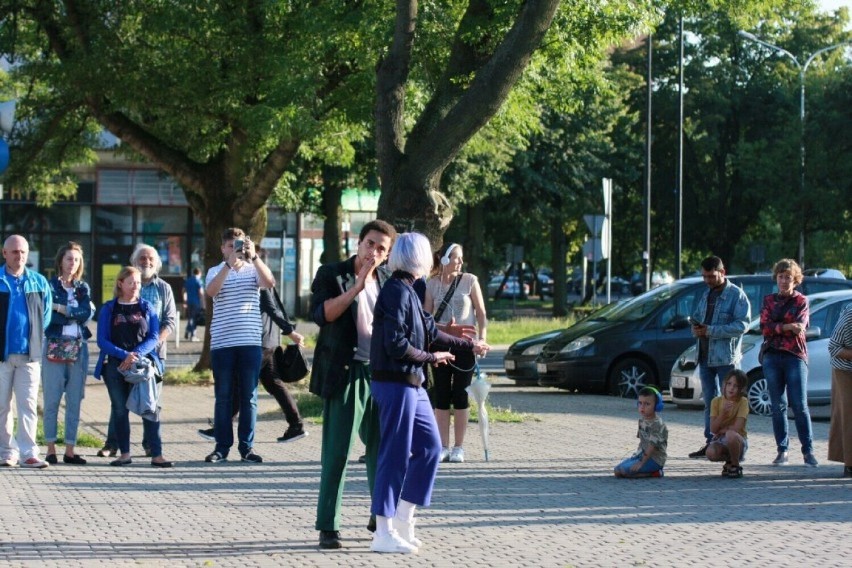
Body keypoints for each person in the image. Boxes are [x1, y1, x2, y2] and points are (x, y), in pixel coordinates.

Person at [369, 232, 488, 554]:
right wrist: (431, 357)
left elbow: (431, 331)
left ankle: (405, 518)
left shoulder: (411, 289)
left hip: (414, 383)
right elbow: (395, 345)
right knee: (394, 455)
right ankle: (382, 531)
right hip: (395, 382)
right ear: (419, 258)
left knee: (431, 449)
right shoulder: (395, 291)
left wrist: (469, 345)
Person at [310, 219, 396, 550]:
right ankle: (328, 525)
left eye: (381, 248)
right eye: (370, 244)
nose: (374, 251)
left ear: (387, 255)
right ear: (359, 243)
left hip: (382, 373)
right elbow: (322, 315)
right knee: (338, 451)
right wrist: (356, 287)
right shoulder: (332, 273)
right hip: (346, 373)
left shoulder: (389, 279)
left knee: (382, 449)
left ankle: (380, 517)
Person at [197, 286, 307, 444]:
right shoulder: (258, 276)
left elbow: (271, 307)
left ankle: (221, 429)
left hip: (260, 340)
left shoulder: (258, 278)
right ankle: (296, 425)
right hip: (267, 339)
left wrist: (290, 332)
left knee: (239, 383)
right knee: (273, 382)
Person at [204, 228, 276, 464]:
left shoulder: (253, 269)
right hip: (223, 343)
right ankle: (221, 448)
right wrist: (229, 265)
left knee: (249, 397)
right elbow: (211, 291)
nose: (234, 249)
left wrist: (254, 257)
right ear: (223, 248)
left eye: (238, 245)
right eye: (230, 246)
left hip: (249, 343)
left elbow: (269, 282)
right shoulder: (215, 271)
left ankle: (247, 448)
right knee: (223, 397)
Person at [99, 244, 177, 458]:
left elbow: (169, 322)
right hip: (120, 357)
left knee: (149, 402)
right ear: (133, 263)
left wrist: (143, 351)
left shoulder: (163, 289)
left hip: (152, 356)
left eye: (151, 258)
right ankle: (113, 444)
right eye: (142, 258)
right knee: (119, 405)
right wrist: (127, 355)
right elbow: (103, 337)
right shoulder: (112, 304)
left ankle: (150, 445)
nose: (147, 262)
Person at [423, 242, 487, 464]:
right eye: (455, 257)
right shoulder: (431, 285)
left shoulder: (470, 280)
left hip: (465, 345)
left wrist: (482, 339)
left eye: (461, 258)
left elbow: (481, 313)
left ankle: (459, 447)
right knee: (441, 394)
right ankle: (443, 446)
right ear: (443, 259)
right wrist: (443, 329)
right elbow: (426, 318)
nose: (460, 262)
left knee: (460, 395)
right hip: (440, 345)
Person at [687, 256, 750, 459]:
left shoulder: (736, 295)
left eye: (711, 276)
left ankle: (733, 442)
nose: (707, 280)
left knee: (730, 400)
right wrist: (695, 329)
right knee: (710, 401)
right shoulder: (706, 294)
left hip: (725, 358)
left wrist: (710, 330)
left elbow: (742, 326)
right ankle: (710, 442)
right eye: (704, 276)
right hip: (705, 356)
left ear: (722, 272)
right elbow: (697, 317)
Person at [0, 235, 53, 469]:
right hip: (1, 356)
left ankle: (29, 453)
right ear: (4, 253)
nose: (19, 256)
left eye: (23, 252)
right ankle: (5, 453)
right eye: (14, 252)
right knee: (2, 406)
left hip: (29, 356)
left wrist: (34, 339)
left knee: (28, 405)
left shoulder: (39, 282)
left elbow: (46, 316)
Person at [760, 258, 818, 467]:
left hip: (795, 356)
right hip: (772, 356)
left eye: (789, 278)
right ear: (776, 278)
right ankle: (782, 450)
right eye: (781, 277)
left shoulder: (801, 301)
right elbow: (764, 327)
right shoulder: (768, 300)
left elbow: (800, 326)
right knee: (778, 406)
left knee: (800, 405)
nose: (784, 281)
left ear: (796, 280)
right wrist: (786, 327)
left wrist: (779, 327)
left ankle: (808, 451)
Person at [42, 242, 95, 465]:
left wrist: (63, 309)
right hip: (54, 344)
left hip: (78, 347)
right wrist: (69, 313)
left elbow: (86, 313)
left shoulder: (83, 288)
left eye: (76, 259)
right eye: (68, 259)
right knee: (52, 399)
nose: (72, 263)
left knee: (75, 400)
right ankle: (51, 448)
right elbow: (49, 316)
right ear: (60, 261)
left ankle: (70, 450)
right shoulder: (50, 286)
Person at [614, 386, 667, 479]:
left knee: (625, 472)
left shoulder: (657, 424)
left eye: (647, 404)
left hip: (655, 460)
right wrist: (636, 457)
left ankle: (656, 473)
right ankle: (643, 470)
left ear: (657, 405)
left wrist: (640, 463)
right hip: (642, 455)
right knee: (617, 470)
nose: (642, 407)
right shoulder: (642, 421)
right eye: (640, 403)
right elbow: (642, 442)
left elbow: (651, 446)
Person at [705, 369, 750, 478]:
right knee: (710, 452)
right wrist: (723, 414)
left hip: (738, 440)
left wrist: (721, 431)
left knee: (730, 434)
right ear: (724, 384)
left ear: (741, 389)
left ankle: (735, 464)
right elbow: (713, 428)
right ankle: (728, 461)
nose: (731, 388)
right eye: (729, 384)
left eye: (736, 386)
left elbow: (737, 428)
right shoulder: (716, 402)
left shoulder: (743, 402)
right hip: (721, 439)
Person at [828, 303, 852, 477]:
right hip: (844, 368)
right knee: (848, 414)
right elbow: (834, 347)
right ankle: (850, 463)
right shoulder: (849, 315)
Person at [183, 267, 204, 342]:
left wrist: (185, 301)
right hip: (196, 302)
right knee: (194, 319)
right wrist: (203, 303)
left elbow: (184, 291)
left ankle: (187, 330)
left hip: (189, 302)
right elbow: (201, 293)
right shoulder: (198, 281)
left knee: (190, 318)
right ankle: (193, 336)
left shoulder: (188, 280)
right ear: (199, 273)